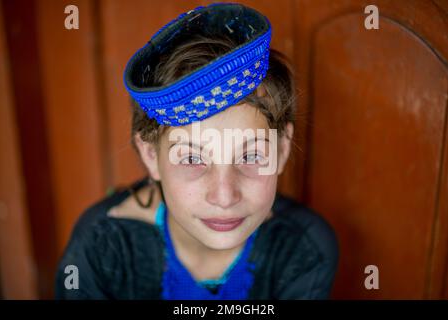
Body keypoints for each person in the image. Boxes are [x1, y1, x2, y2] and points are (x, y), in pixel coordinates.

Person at [55, 3, 338, 300]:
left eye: (251, 156)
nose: (225, 197)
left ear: (281, 150)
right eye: (192, 159)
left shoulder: (305, 250)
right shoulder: (102, 248)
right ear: (151, 156)